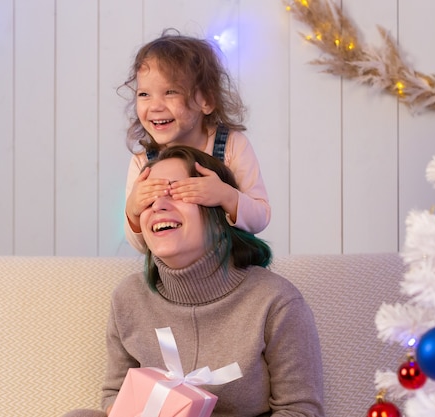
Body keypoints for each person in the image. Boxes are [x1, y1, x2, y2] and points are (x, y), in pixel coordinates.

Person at [63, 146, 324, 417]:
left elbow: (300, 410)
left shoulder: (275, 301)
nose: (159, 205)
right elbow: (114, 392)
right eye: (148, 199)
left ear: (220, 215)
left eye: (178, 193)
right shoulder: (128, 298)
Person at [121, 29, 271, 253]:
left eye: (170, 92)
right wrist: (133, 210)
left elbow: (261, 217)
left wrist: (225, 195)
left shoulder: (231, 146)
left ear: (207, 100)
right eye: (144, 94)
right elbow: (142, 248)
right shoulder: (143, 162)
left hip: (226, 271)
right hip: (175, 276)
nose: (155, 106)